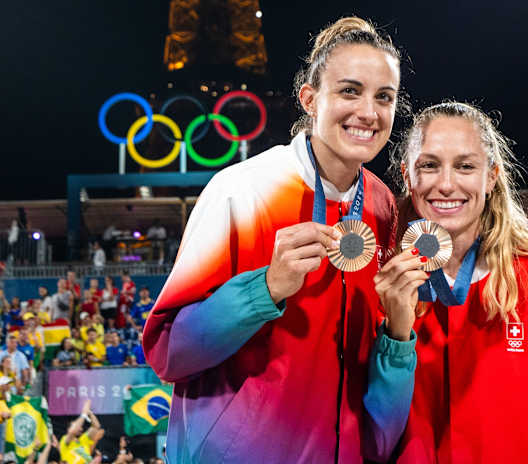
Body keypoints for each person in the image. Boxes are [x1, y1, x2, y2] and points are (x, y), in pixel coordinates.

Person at [144, 17, 414, 463]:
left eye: (383, 97)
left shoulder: (384, 206)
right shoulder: (242, 191)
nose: (368, 112)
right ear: (310, 98)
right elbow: (168, 352)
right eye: (349, 91)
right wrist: (265, 287)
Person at [377, 101, 528, 461]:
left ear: (492, 176)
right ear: (408, 176)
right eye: (428, 165)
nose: (446, 184)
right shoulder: (381, 284)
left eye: (465, 166)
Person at [59, 399, 101, 464]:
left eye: (80, 426)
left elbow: (96, 426)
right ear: (68, 429)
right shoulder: (65, 440)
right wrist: (84, 414)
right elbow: (73, 431)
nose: (80, 427)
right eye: (77, 425)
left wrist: (89, 413)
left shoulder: (84, 439)